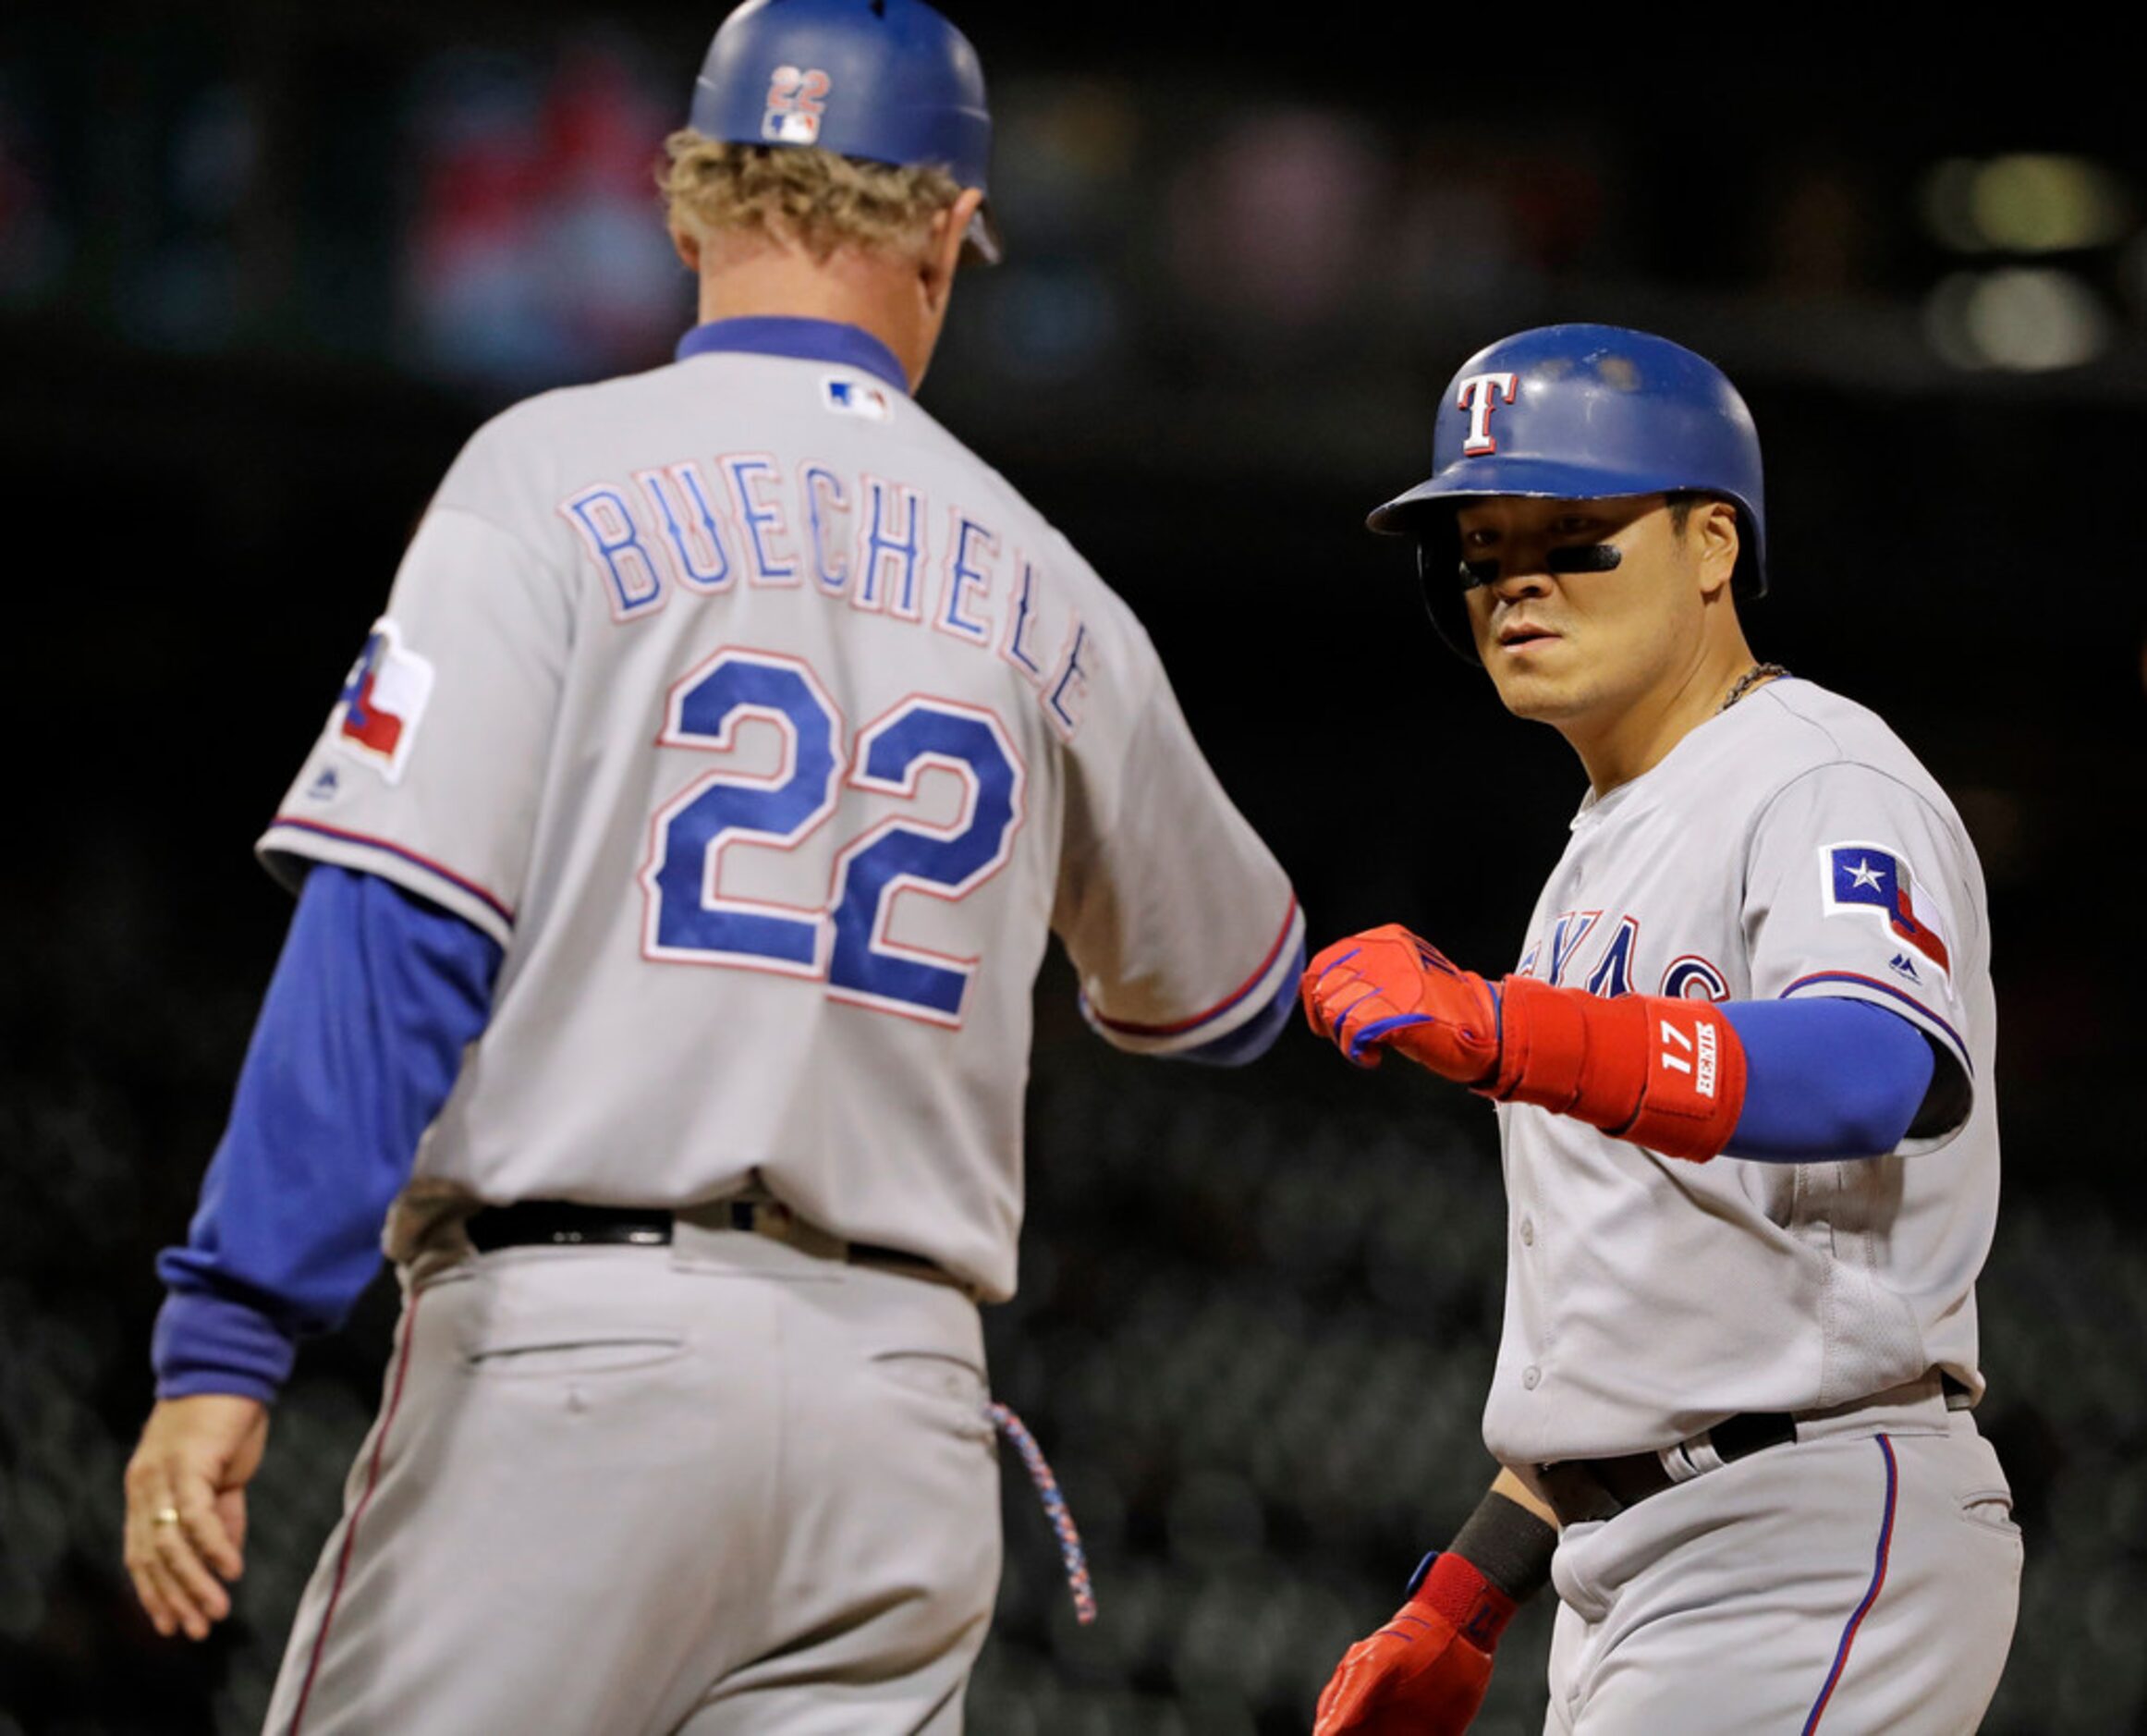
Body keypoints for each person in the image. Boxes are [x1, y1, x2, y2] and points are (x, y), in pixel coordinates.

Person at [119, 4, 1305, 1730]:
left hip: (576, 1364)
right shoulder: (1053, 589)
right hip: (898, 1413)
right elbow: (1231, 994)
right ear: (948, 229)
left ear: (685, 208)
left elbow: (398, 927)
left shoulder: (542, 477)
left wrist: (229, 1330)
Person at [1299, 324, 2019, 1734]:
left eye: (1573, 534)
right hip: (1648, 1558)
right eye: (1484, 547)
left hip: (1805, 1529)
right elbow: (1650, 1305)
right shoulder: (1604, 849)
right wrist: (1468, 1590)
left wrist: (1509, 1029)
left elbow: (1876, 1069)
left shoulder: (1815, 774)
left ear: (1710, 545)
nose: (1515, 579)